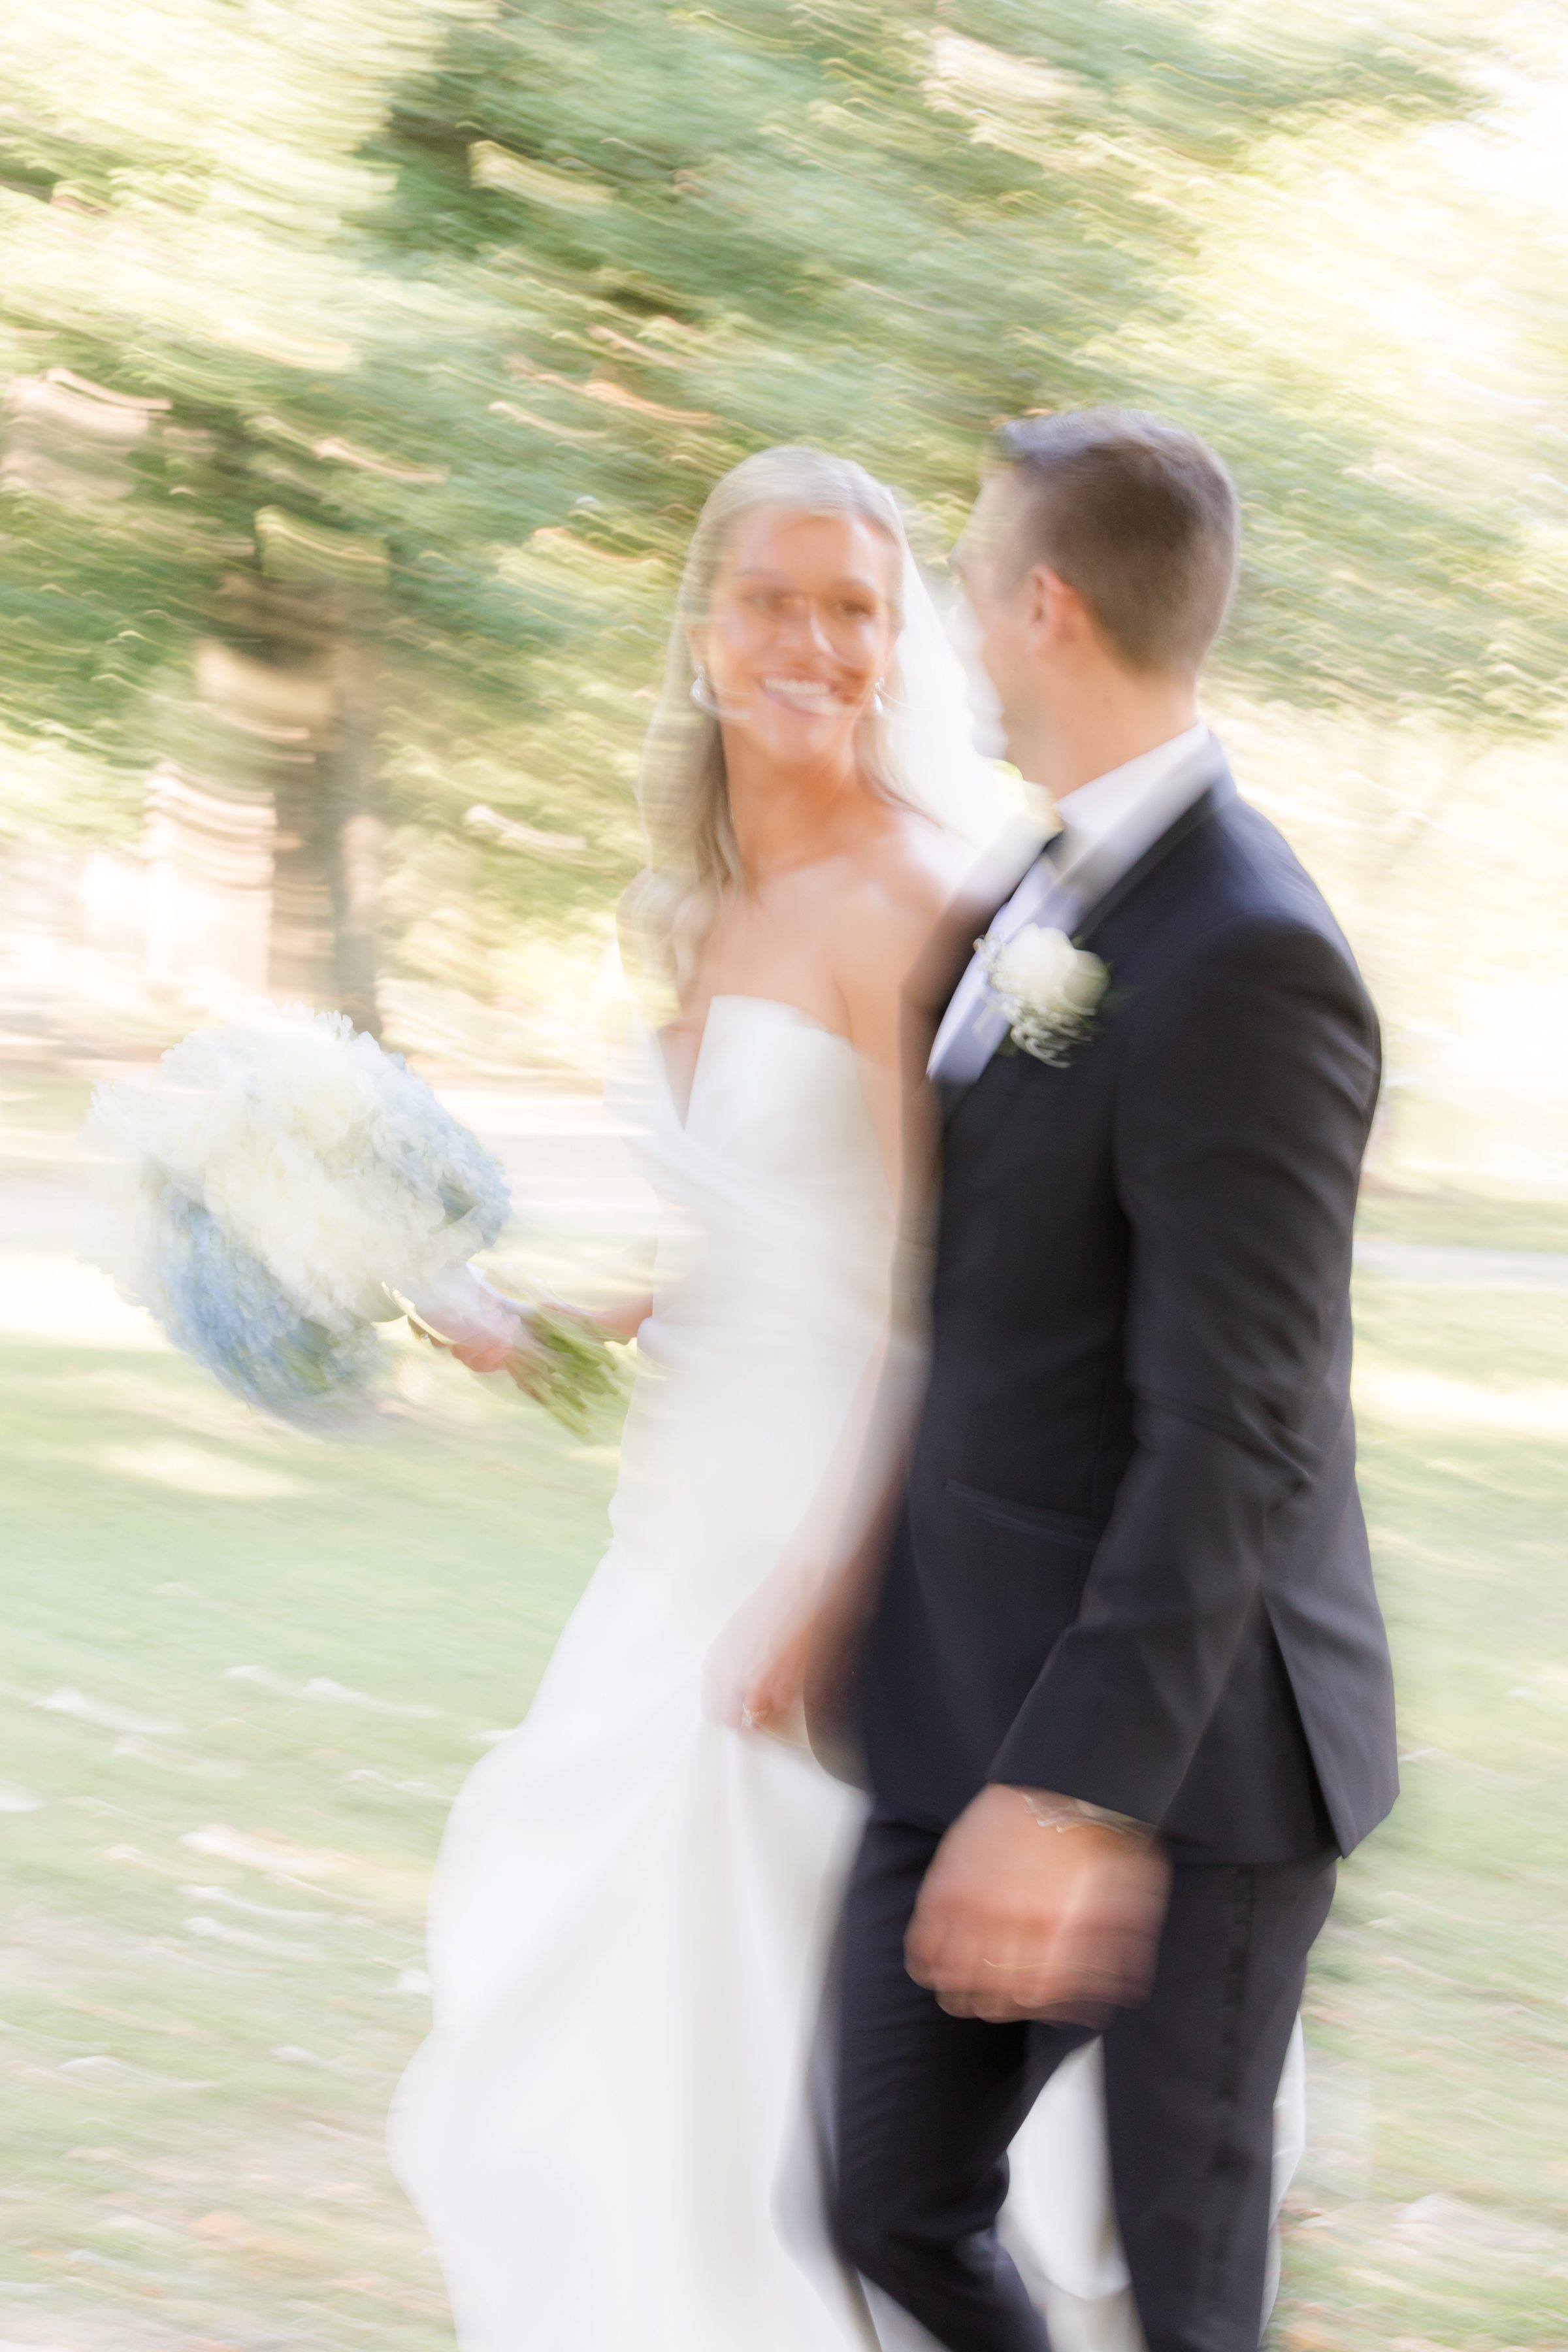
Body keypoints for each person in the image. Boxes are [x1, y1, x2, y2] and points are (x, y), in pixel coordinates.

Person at [391, 444, 1165, 2352]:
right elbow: (757, 1234)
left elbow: (938, 1306)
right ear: (705, 627)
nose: (814, 641)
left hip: (837, 1535)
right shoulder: (693, 901)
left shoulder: (914, 903)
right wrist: (554, 1317)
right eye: (774, 600)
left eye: (856, 608)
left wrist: (827, 1600)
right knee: (620, 2026)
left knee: (796, 2021)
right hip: (678, 1523)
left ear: (899, 644)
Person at [782, 410, 1400, 2352]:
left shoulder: (1253, 952)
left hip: (1198, 1751)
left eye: (970, 584)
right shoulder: (1035, 887)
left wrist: (1073, 1793)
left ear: (1044, 607)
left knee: (1185, 2290)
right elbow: (986, 1308)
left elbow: (1239, 1427)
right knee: (887, 2199)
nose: (956, 628)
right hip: (970, 1691)